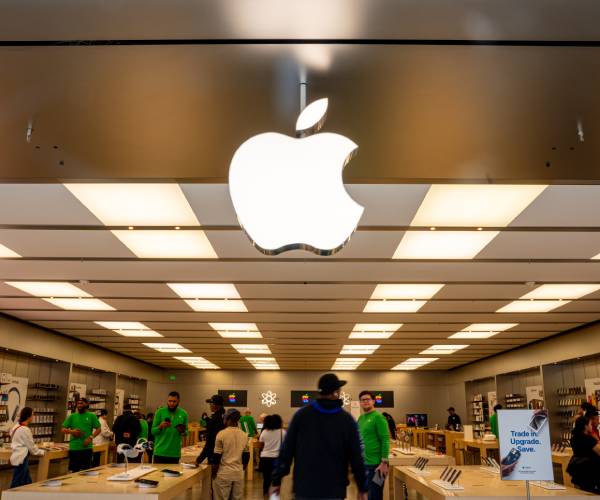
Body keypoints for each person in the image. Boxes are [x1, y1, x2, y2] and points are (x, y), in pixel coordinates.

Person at [270, 373, 368, 500]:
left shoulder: (301, 415)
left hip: (305, 488)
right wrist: (362, 487)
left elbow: (286, 450)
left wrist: (276, 480)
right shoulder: (346, 420)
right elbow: (356, 457)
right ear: (336, 392)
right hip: (334, 489)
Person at [358, 391, 390, 500]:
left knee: (375, 496)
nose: (365, 401)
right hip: (364, 464)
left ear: (373, 401)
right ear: (360, 403)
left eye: (368, 399)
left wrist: (384, 462)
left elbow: (385, 439)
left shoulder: (378, 417)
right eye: (363, 400)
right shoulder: (361, 419)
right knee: (366, 495)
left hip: (378, 466)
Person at [212, 409, 250, 500]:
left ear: (227, 419)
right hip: (238, 474)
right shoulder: (244, 435)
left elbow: (217, 456)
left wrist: (214, 473)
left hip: (224, 473)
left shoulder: (221, 434)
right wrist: (242, 469)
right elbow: (246, 456)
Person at [61, 398, 101, 472]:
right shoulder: (72, 416)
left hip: (87, 448)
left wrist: (90, 438)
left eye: (81, 403)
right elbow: (63, 429)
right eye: (78, 403)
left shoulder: (92, 416)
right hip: (74, 448)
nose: (79, 405)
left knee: (86, 471)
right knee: (74, 471)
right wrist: (72, 431)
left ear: (86, 404)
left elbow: (99, 429)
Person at [9, 407, 45, 488]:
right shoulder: (25, 429)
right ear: (28, 416)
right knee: (17, 483)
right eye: (33, 415)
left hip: (17, 456)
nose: (33, 417)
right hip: (22, 458)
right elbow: (31, 447)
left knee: (27, 482)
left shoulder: (16, 426)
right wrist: (42, 452)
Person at [152, 391, 188, 463]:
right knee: (158, 474)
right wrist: (160, 426)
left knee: (173, 474)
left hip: (175, 453)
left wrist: (183, 431)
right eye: (170, 401)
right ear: (167, 401)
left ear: (178, 401)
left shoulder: (183, 413)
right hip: (160, 452)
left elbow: (186, 432)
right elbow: (153, 431)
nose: (171, 403)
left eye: (174, 401)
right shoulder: (160, 412)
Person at [567, 415, 600, 493]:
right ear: (585, 426)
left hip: (578, 469)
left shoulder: (573, 439)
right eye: (590, 424)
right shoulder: (589, 439)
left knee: (583, 491)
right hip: (591, 471)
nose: (591, 426)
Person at [258, 414, 285, 497]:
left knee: (266, 479)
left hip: (265, 458)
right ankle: (274, 496)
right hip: (277, 459)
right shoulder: (282, 432)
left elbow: (261, 445)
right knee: (277, 480)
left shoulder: (264, 432)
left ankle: (266, 494)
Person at [196, 394, 225, 466]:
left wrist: (199, 460)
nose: (209, 405)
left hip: (214, 455)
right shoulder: (223, 416)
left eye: (211, 403)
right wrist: (207, 418)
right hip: (222, 454)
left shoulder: (216, 418)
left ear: (215, 405)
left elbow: (210, 443)